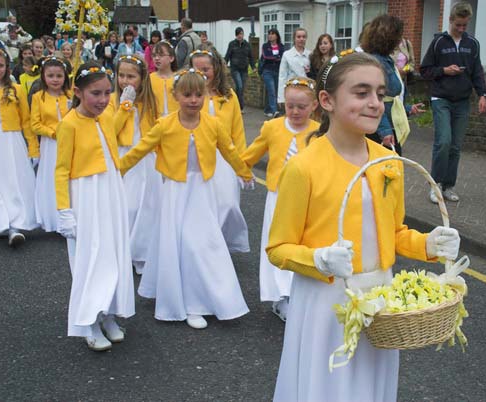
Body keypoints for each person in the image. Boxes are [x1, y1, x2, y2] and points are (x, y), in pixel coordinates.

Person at [266, 50, 461, 402]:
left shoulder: (389, 160)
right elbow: (278, 248)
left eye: (380, 94)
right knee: (328, 386)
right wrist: (320, 259)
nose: (374, 103)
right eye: (361, 93)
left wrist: (429, 245)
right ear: (326, 100)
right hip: (326, 298)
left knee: (368, 385)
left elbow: (394, 231)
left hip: (378, 297)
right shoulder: (304, 167)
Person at [120, 68, 253, 329]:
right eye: (187, 95)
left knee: (203, 243)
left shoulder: (213, 124)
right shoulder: (165, 125)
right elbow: (140, 149)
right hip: (175, 191)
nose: (194, 100)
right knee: (178, 243)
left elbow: (229, 150)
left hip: (202, 190)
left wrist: (244, 172)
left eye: (198, 95)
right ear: (176, 96)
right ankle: (189, 302)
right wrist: (117, 170)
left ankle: (208, 298)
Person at [55, 61, 135, 351]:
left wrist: (124, 107)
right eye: (95, 94)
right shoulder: (68, 124)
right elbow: (61, 170)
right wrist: (64, 210)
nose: (103, 100)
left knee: (113, 253)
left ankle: (109, 313)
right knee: (92, 258)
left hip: (111, 188)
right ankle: (88, 320)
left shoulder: (105, 116)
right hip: (86, 194)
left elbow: (111, 135)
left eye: (107, 93)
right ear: (77, 92)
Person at [242, 77, 319, 321]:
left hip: (309, 199)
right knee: (278, 244)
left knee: (305, 244)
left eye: (302, 106)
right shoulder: (272, 127)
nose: (295, 111)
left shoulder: (319, 132)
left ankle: (302, 293)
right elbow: (249, 155)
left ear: (315, 105)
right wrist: (241, 171)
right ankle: (281, 297)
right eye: (290, 105)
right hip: (278, 196)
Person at [420, 1, 486, 203]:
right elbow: (425, 70)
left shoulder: (472, 44)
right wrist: (444, 71)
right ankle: (435, 185)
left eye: (464, 25)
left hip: (462, 101)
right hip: (441, 98)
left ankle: (449, 186)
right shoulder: (439, 42)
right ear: (450, 21)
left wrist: (483, 94)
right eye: (458, 24)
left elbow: (477, 71)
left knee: (456, 146)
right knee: (444, 142)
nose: (461, 29)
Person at [0, 46, 39, 246]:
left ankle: (15, 224)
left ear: (7, 67)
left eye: (0, 65)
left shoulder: (16, 89)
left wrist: (33, 147)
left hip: (11, 139)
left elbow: (26, 120)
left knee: (12, 179)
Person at [190, 47, 250, 253]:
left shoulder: (229, 95)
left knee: (228, 204)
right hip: (198, 157)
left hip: (225, 159)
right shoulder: (190, 97)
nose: (202, 74)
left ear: (216, 68)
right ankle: (207, 248)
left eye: (206, 68)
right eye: (196, 70)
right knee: (202, 207)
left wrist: (242, 165)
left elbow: (238, 131)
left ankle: (221, 243)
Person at [110, 54, 161, 274]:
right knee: (127, 206)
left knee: (148, 207)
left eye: (131, 76)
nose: (125, 81)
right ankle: (123, 252)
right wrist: (124, 106)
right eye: (121, 75)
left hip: (147, 159)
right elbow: (110, 131)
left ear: (142, 78)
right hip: (124, 156)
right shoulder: (113, 100)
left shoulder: (151, 100)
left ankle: (142, 252)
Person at [361, 15, 425, 156]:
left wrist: (408, 109)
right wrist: (385, 130)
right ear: (389, 37)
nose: (400, 40)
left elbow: (390, 100)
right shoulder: (378, 63)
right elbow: (375, 101)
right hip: (381, 128)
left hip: (387, 124)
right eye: (399, 36)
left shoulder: (384, 60)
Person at [30, 56, 72, 232]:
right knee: (52, 178)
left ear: (65, 77)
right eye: (51, 76)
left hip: (70, 141)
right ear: (43, 77)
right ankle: (53, 218)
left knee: (70, 177)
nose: (55, 80)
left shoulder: (71, 95)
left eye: (59, 76)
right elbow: (35, 124)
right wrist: (52, 133)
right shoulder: (38, 97)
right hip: (51, 143)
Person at [224, 27, 255, 113]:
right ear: (236, 35)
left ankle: (236, 105)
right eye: (238, 34)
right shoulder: (232, 44)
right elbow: (228, 55)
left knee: (241, 88)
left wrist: (253, 67)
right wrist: (225, 63)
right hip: (235, 69)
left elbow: (251, 57)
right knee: (239, 86)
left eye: (241, 34)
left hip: (244, 69)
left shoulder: (247, 44)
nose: (240, 36)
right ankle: (240, 107)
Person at [277, 27, 310, 104]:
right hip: (291, 91)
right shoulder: (287, 55)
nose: (301, 39)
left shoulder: (310, 54)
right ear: (294, 38)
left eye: (304, 37)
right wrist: (281, 98)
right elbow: (282, 77)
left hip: (306, 92)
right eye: (298, 37)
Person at [259, 28, 285, 118]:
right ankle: (275, 111)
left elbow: (282, 57)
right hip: (267, 71)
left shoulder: (281, 46)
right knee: (272, 91)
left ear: (277, 36)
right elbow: (266, 56)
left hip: (278, 71)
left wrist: (275, 57)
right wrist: (276, 57)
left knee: (274, 91)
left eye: (272, 34)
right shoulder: (265, 46)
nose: (270, 35)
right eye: (269, 34)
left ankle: (267, 109)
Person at [150, 40, 179, 116]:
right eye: (154, 55)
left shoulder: (179, 78)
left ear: (171, 58)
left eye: (161, 55)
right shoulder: (149, 78)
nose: (156, 58)